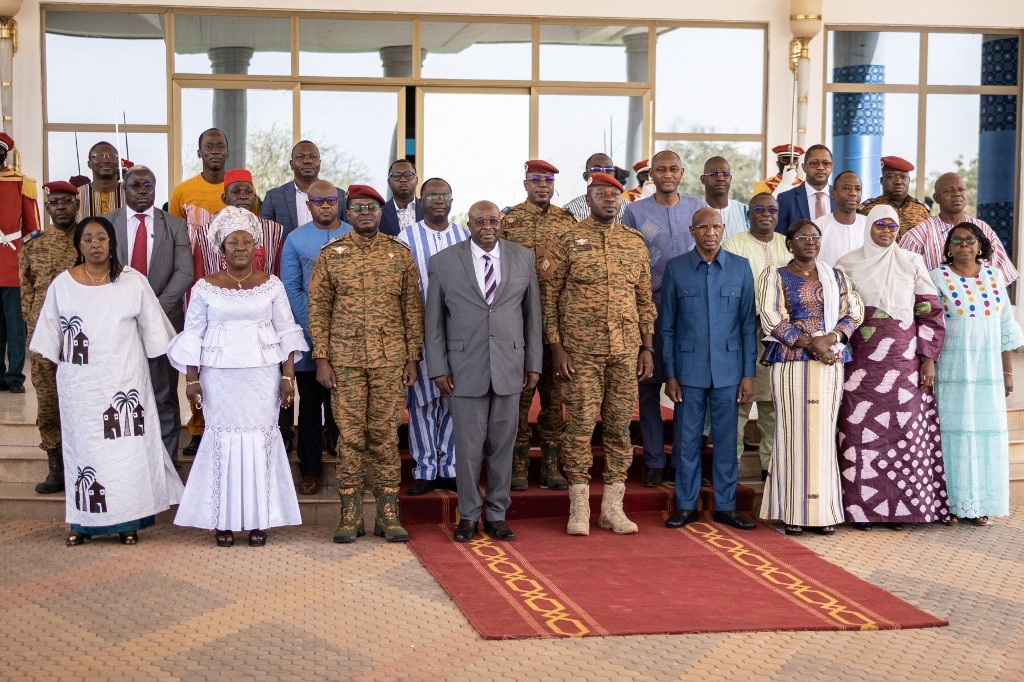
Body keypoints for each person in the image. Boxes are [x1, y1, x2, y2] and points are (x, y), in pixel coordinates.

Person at [29, 216, 183, 546]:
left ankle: (128, 522)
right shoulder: (62, 285)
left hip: (125, 383)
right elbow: (48, 339)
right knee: (85, 453)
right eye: (88, 239)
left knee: (125, 455)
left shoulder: (132, 281)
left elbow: (157, 334)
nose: (95, 244)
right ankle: (83, 524)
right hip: (80, 388)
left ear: (112, 243)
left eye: (102, 238)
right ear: (79, 245)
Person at [169, 207, 306, 547]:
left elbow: (286, 330)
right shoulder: (205, 286)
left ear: (256, 246)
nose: (241, 247)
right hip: (219, 376)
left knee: (261, 438)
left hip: (261, 374)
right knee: (222, 439)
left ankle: (259, 519)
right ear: (222, 247)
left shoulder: (271, 284)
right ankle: (222, 520)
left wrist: (287, 377)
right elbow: (193, 334)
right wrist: (192, 379)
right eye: (234, 242)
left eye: (247, 241)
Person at [540, 172, 656, 536]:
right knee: (579, 427)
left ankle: (612, 508)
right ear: (587, 199)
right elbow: (550, 298)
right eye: (601, 194)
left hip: (624, 351)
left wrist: (647, 347)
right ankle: (578, 508)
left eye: (614, 195)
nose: (609, 199)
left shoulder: (633, 242)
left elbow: (644, 299)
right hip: (580, 352)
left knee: (620, 428)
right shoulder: (566, 240)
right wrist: (556, 347)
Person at [308, 184, 423, 543]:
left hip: (391, 362)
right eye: (358, 208)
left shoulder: (399, 254)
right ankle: (351, 515)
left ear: (380, 211)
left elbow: (412, 310)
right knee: (351, 438)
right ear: (347, 212)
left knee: (386, 438)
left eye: (372, 208)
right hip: (345, 362)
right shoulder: (331, 255)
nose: (365, 214)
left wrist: (413, 357)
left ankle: (389, 514)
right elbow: (319, 310)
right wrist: (322, 359)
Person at [424, 200, 542, 542]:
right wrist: (438, 368)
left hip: (510, 367)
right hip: (463, 370)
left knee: (504, 447)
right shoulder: (444, 262)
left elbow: (533, 316)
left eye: (492, 220)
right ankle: (468, 516)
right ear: (469, 224)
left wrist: (533, 363)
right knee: (469, 448)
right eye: (479, 221)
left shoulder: (523, 258)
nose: (486, 226)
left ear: (501, 223)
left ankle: (496, 515)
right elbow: (434, 323)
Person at [836, 205, 949, 529]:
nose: (886, 231)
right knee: (858, 435)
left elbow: (929, 311)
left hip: (903, 366)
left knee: (903, 435)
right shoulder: (848, 263)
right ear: (869, 226)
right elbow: (839, 313)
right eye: (880, 225)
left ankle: (899, 510)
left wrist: (928, 359)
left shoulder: (911, 262)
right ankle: (861, 511)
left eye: (892, 226)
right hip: (860, 368)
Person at [758, 219, 863, 535]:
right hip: (791, 362)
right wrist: (811, 344)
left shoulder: (836, 277)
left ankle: (823, 512)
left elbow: (853, 313)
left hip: (830, 362)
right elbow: (770, 316)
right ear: (789, 243)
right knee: (793, 433)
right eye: (802, 237)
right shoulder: (775, 276)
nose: (810, 241)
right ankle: (792, 510)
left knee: (822, 433)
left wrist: (828, 340)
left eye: (815, 236)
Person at [661, 207, 758, 531]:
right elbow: (668, 327)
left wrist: (748, 374)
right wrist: (670, 374)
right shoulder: (676, 269)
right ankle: (686, 505)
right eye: (703, 227)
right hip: (688, 371)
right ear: (692, 231)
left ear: (723, 229)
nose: (711, 233)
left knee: (727, 441)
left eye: (716, 226)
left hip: (729, 371)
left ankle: (725, 506)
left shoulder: (740, 268)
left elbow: (747, 326)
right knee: (686, 440)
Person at [929, 222, 1023, 526]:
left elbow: (1005, 327)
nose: (963, 246)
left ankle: (979, 504)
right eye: (956, 241)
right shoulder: (936, 278)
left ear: (980, 246)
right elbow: (929, 326)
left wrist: (1007, 371)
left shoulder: (994, 277)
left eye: (969, 241)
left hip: (987, 371)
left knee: (984, 434)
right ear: (949, 248)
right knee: (952, 435)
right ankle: (951, 505)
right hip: (952, 370)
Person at [621, 150, 703, 487]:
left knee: (686, 388)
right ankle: (654, 460)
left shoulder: (697, 208)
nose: (667, 174)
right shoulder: (634, 212)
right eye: (660, 169)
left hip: (692, 313)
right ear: (649, 174)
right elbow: (627, 262)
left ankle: (682, 459)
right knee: (648, 388)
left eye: (673, 169)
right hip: (649, 310)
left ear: (682, 172)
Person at [104, 165, 193, 467]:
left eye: (149, 185)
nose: (143, 190)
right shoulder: (106, 223)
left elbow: (184, 271)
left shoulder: (174, 225)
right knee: (121, 392)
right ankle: (128, 462)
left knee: (164, 394)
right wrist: (126, 307)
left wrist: (151, 307)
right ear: (124, 189)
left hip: (163, 320)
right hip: (118, 322)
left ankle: (166, 463)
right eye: (136, 185)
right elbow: (98, 269)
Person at [501, 159, 577, 491]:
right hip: (519, 323)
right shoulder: (509, 220)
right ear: (525, 184)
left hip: (559, 324)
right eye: (536, 180)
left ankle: (550, 466)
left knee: (554, 398)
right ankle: (518, 466)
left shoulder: (567, 221)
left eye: (548, 180)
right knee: (519, 397)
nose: (542, 185)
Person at [280, 180, 351, 495]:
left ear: (338, 202)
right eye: (318, 200)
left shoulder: (354, 235)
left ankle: (345, 464)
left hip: (351, 336)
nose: (325, 205)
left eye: (331, 200)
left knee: (345, 406)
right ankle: (309, 471)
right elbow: (291, 288)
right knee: (309, 407)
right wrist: (316, 323)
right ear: (308, 205)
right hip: (310, 336)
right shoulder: (296, 239)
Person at [398, 178, 468, 495]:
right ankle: (425, 469)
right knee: (423, 403)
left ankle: (450, 467)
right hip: (421, 333)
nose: (439, 200)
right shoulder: (406, 237)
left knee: (455, 400)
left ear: (452, 201)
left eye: (445, 195)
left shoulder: (464, 236)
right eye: (432, 195)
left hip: (461, 335)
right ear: (421, 200)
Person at [168, 128, 231, 458]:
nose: (215, 151)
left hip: (234, 287)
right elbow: (176, 240)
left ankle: (224, 422)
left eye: (221, 146)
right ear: (199, 152)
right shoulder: (183, 191)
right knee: (198, 357)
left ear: (228, 152)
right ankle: (197, 426)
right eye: (209, 146)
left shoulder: (239, 187)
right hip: (195, 286)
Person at [722, 193, 789, 480]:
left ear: (778, 214)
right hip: (740, 334)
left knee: (772, 407)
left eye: (771, 210)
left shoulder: (789, 244)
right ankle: (729, 471)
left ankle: (770, 470)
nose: (765, 214)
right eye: (758, 209)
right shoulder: (733, 245)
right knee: (737, 406)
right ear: (748, 214)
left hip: (780, 339)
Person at [20, 181, 81, 494]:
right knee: (47, 401)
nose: (60, 207)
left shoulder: (90, 239)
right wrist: (31, 322)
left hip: (82, 335)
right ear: (47, 208)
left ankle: (82, 463)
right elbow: (26, 287)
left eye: (66, 202)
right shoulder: (33, 244)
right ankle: (55, 468)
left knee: (82, 398)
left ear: (77, 205)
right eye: (54, 203)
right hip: (44, 336)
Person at [901, 172, 1018, 285]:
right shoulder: (919, 234)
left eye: (961, 189)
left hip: (982, 302)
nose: (957, 194)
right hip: (936, 303)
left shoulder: (983, 229)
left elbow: (1001, 278)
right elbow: (902, 277)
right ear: (936, 198)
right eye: (948, 191)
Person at [0, 132, 40, 395]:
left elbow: (33, 229)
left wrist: (25, 260)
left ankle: (14, 375)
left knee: (15, 324)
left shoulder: (21, 183)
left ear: (6, 154)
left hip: (12, 260)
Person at [193, 169, 286, 280]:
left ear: (255, 198)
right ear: (224, 198)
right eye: (236, 192)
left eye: (248, 192)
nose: (243, 196)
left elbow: (279, 273)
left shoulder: (273, 230)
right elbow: (198, 278)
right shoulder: (205, 233)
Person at [261, 140, 346, 240]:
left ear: (320, 162)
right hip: (288, 255)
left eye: (312, 156)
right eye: (300, 157)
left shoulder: (339, 196)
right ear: (291, 164)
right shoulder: (274, 197)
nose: (307, 161)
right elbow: (264, 235)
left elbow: (349, 233)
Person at [858, 156, 930, 237]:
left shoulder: (921, 210)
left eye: (903, 177)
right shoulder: (869, 209)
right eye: (891, 177)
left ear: (909, 180)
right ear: (882, 181)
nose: (898, 182)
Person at [776, 144, 834, 233]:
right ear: (804, 167)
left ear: (832, 167)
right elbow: (780, 237)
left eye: (826, 163)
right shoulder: (786, 199)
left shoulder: (840, 197)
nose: (820, 167)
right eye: (814, 163)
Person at [815, 170, 868, 267]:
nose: (853, 193)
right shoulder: (817, 227)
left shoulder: (869, 225)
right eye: (846, 188)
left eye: (858, 189)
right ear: (833, 194)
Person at [563, 153, 629, 222]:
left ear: (614, 175)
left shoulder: (628, 208)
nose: (603, 174)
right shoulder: (571, 210)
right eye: (596, 169)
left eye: (608, 169)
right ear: (586, 176)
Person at [701, 157, 749, 239]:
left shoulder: (744, 211)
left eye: (725, 174)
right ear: (703, 179)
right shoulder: (696, 211)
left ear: (730, 178)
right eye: (714, 174)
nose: (720, 178)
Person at [75, 141, 125, 220]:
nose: (106, 161)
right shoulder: (77, 196)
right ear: (89, 164)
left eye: (112, 157)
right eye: (99, 156)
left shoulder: (130, 194)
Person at [380, 159, 424, 237]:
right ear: (389, 182)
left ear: (416, 180)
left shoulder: (427, 210)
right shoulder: (379, 212)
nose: (403, 179)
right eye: (396, 175)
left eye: (408, 174)